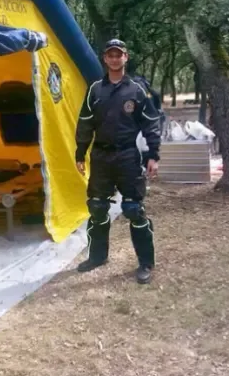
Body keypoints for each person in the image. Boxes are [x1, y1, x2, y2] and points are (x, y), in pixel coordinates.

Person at [74, 39, 162, 284]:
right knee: (97, 207)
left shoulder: (136, 91)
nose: (115, 59)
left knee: (134, 210)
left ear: (126, 57)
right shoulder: (95, 90)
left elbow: (151, 124)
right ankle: (97, 256)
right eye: (110, 55)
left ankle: (145, 262)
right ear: (105, 59)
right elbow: (85, 123)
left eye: (119, 55)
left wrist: (153, 155)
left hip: (127, 157)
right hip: (101, 157)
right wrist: (80, 153)